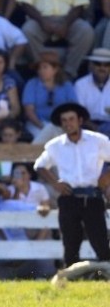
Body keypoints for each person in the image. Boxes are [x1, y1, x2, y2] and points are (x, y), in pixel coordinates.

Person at [35, 102, 110, 267]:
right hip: (69, 196)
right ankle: (71, 282)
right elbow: (39, 165)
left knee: (101, 242)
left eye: (71, 119)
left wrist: (106, 177)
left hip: (93, 196)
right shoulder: (55, 145)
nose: (68, 124)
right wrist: (55, 183)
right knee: (70, 244)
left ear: (80, 120)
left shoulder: (97, 140)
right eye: (64, 120)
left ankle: (107, 279)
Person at [23, 50, 78, 142]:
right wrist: (42, 125)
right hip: (37, 124)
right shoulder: (32, 84)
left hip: (62, 124)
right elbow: (29, 110)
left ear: (55, 69)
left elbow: (72, 107)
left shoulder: (66, 85)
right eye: (39, 68)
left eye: (45, 68)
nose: (41, 71)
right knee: (45, 135)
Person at [74, 48, 110, 138]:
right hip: (87, 126)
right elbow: (79, 112)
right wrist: (95, 129)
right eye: (98, 64)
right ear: (91, 65)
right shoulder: (80, 84)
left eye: (106, 65)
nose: (102, 68)